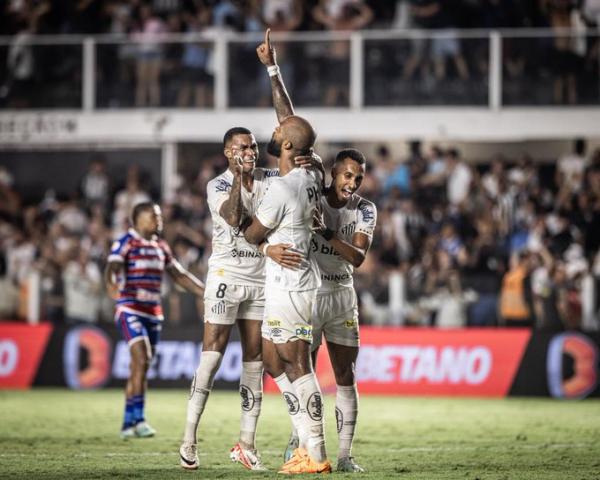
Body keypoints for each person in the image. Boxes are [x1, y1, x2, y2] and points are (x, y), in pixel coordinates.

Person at [178, 121, 319, 468]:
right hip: (226, 274)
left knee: (254, 363)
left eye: (253, 146)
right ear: (228, 152)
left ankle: (246, 443)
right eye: (242, 147)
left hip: (260, 279)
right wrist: (241, 177)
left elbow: (298, 155)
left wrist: (309, 159)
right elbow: (233, 216)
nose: (250, 152)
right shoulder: (219, 184)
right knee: (210, 359)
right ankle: (189, 438)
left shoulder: (273, 179)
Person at [243, 29, 331, 475]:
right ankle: (304, 443)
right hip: (292, 282)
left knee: (296, 362)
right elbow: (292, 121)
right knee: (275, 359)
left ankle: (315, 453)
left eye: (280, 132)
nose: (276, 128)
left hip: (292, 281)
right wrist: (272, 68)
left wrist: (257, 239)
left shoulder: (281, 187)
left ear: (288, 146)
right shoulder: (311, 169)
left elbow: (251, 232)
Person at [105, 202, 205, 439]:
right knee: (141, 357)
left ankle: (128, 423)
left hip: (153, 312)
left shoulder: (161, 246)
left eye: (159, 217)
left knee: (140, 367)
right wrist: (112, 286)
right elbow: (112, 266)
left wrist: (206, 292)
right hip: (130, 308)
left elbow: (179, 275)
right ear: (137, 219)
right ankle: (138, 420)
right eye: (153, 216)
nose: (158, 220)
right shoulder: (126, 242)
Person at [308, 147, 377, 472]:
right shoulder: (311, 199)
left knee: (346, 377)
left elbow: (358, 257)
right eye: (348, 175)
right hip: (307, 294)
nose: (353, 183)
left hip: (342, 295)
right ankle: (303, 442)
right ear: (334, 172)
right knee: (304, 377)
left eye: (358, 178)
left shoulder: (365, 209)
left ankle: (345, 456)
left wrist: (324, 232)